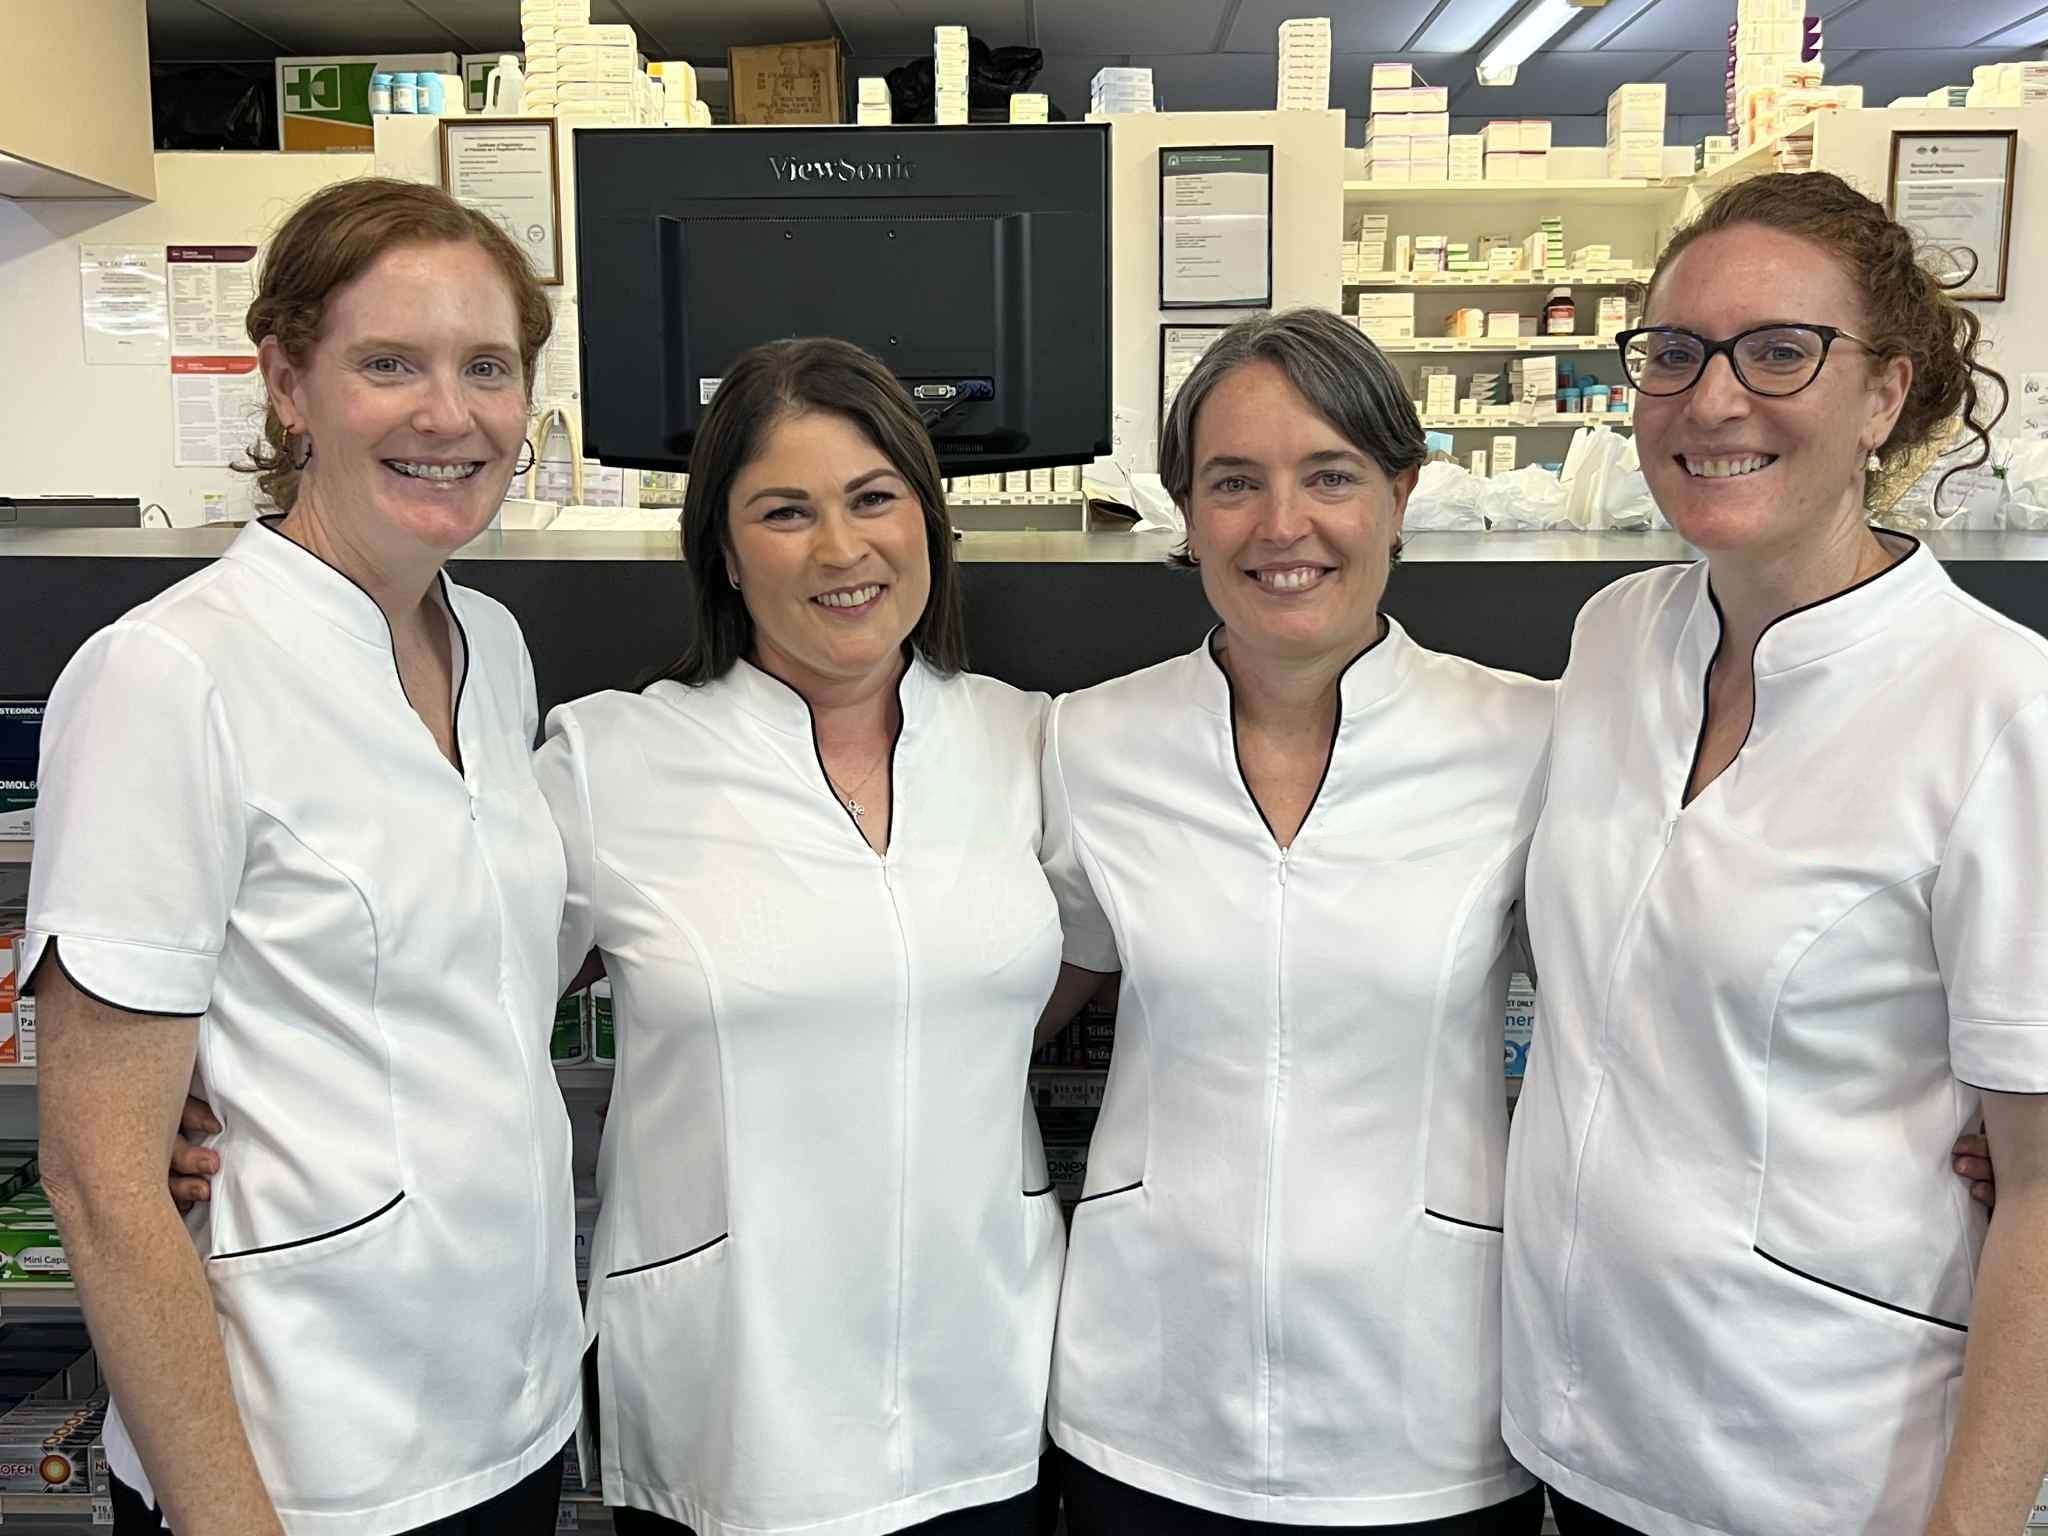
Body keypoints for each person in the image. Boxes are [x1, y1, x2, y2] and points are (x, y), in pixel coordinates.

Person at [29, 178, 584, 1535]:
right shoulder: (170, 676)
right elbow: (104, 1183)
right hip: (302, 1458)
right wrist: (227, 1516)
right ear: (286, 381)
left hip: (509, 1405)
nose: (448, 415)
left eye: (487, 368)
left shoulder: (492, 647)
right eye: (387, 363)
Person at [1502, 171, 2048, 1535]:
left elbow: (2044, 1193)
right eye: (1673, 352)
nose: (1714, 398)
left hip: (1823, 1467)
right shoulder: (1617, 636)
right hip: (1579, 1430)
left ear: (1883, 396)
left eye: (1782, 351)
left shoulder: (1998, 709)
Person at [532, 337, 1068, 1535]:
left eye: (874, 499)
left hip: (977, 1385)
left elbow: (1083, 951)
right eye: (785, 511)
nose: (841, 550)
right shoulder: (611, 761)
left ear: (928, 521)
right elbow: (450, 993)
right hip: (734, 1411)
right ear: (720, 550)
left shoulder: (1021, 743)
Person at [1037, 306, 1550, 1534]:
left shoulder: (1526, 740)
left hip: (1422, 1411)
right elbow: (1004, 1002)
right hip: (1148, 1403)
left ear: (1399, 491)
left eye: (1328, 476)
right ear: (1184, 510)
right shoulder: (1090, 743)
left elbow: (1658, 996)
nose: (1281, 528)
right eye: (1232, 483)